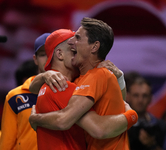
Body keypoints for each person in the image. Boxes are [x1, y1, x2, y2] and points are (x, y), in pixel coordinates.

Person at [29, 17, 138, 150]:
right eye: (71, 46)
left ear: (94, 46)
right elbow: (98, 128)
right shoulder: (65, 85)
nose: (73, 42)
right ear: (59, 54)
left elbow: (117, 105)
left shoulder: (96, 75)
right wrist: (132, 115)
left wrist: (36, 119)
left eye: (78, 38)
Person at [0, 33, 50, 150]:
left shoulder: (74, 89)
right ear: (35, 60)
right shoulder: (15, 96)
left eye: (53, 53)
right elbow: (6, 144)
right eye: (43, 54)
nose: (48, 58)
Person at [125, 72, 166, 150]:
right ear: (128, 96)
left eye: (145, 96)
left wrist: (152, 145)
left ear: (150, 98)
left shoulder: (161, 126)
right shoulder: (119, 124)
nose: (140, 100)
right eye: (136, 95)